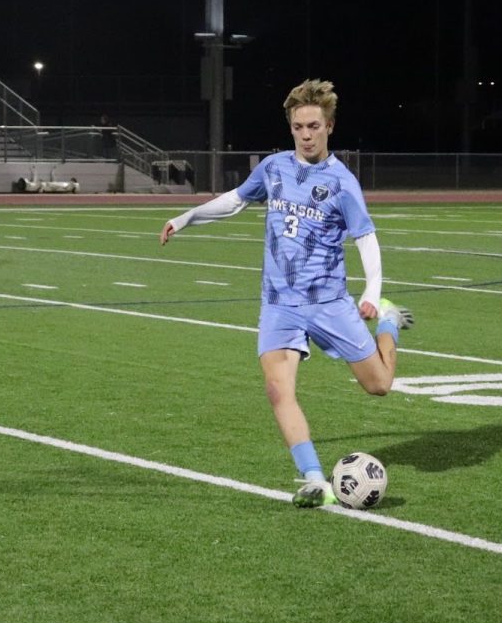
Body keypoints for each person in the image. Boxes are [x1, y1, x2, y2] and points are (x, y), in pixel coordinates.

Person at [159, 79, 413, 508]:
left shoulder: (342, 183)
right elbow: (235, 201)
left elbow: (366, 238)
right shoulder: (274, 168)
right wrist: (186, 218)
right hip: (279, 305)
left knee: (379, 386)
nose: (306, 134)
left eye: (314, 125)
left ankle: (389, 321)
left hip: (329, 303)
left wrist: (373, 294)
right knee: (278, 389)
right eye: (299, 126)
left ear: (329, 126)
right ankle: (314, 479)